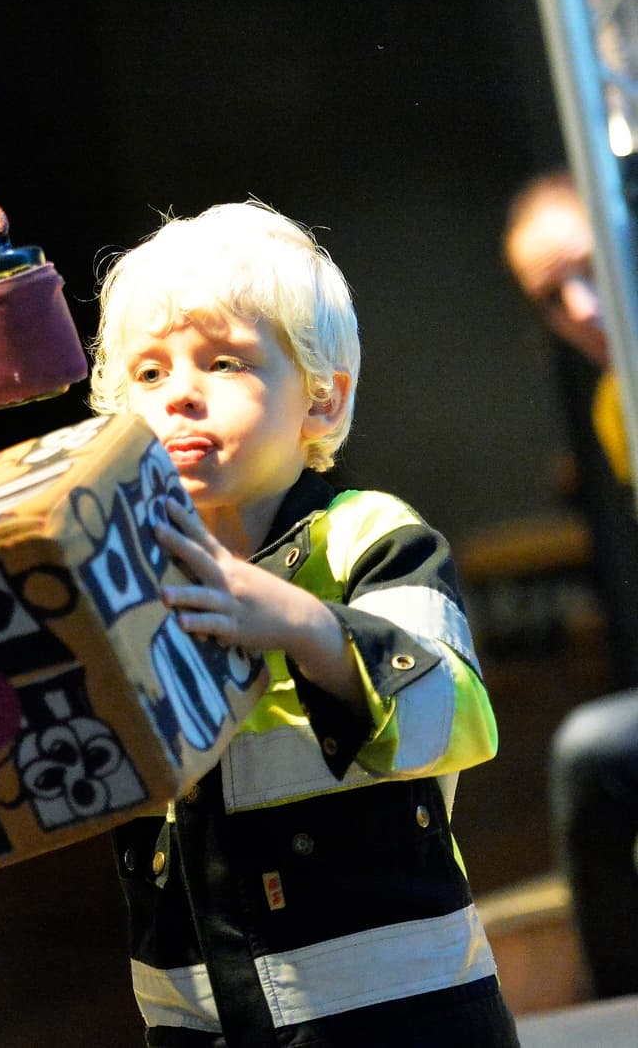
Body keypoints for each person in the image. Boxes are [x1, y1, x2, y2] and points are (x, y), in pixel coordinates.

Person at [88, 201, 516, 1044]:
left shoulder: (368, 532)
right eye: (147, 373)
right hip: (200, 1012)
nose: (180, 393)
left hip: (399, 1010)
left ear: (320, 401)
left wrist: (301, 622)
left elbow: (456, 715)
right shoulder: (118, 577)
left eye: (222, 361)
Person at [503, 171, 638, 999]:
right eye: (554, 296)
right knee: (590, 757)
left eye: (590, 268)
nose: (582, 310)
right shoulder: (617, 406)